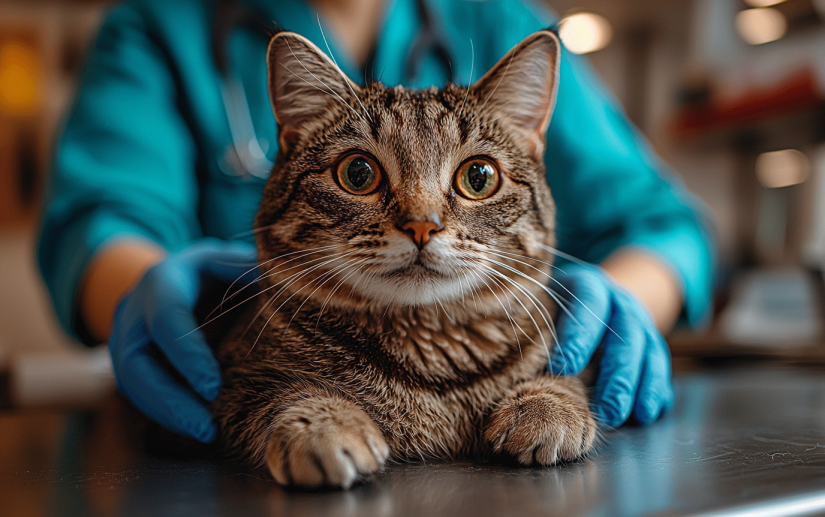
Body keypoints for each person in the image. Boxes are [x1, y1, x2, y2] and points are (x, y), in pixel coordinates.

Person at [38, 0, 715, 443]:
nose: (421, 221)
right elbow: (98, 218)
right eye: (359, 176)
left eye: (474, 178)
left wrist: (619, 305)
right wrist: (158, 297)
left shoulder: (496, 19)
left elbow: (661, 223)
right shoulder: (159, 23)